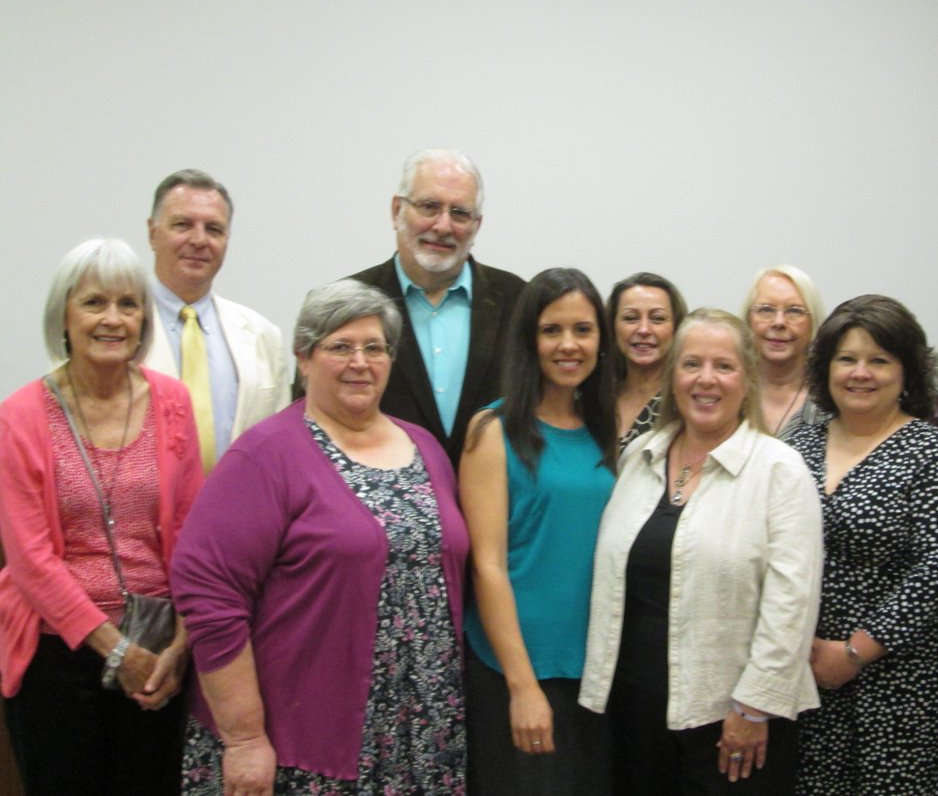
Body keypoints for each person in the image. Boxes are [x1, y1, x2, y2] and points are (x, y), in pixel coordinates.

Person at [171, 279, 469, 794]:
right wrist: (243, 738)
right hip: (300, 738)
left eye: (374, 348)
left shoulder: (426, 449)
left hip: (423, 731)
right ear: (304, 358)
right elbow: (206, 589)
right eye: (340, 346)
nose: (360, 362)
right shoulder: (265, 455)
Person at [580, 308, 824, 794]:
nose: (705, 380)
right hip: (632, 710)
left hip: (729, 719)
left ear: (747, 379)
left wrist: (754, 707)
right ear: (672, 378)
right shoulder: (639, 456)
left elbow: (792, 604)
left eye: (724, 366)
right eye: (691, 364)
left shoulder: (779, 469)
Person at [0, 237, 203, 795]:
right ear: (63, 315)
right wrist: (116, 649)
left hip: (158, 649)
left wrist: (183, 643)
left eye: (128, 303)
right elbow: (30, 560)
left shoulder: (172, 402)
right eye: (94, 303)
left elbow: (190, 532)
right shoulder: (19, 416)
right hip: (57, 653)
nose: (112, 319)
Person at [783, 294, 938, 795]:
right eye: (846, 358)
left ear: (908, 372)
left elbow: (937, 571)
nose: (860, 373)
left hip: (901, 682)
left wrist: (852, 653)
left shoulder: (934, 455)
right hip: (802, 676)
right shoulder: (793, 450)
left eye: (879, 360)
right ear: (825, 368)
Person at [460, 268, 616, 795]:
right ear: (529, 339)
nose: (568, 345)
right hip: (520, 672)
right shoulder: (493, 431)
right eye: (552, 330)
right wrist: (522, 686)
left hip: (596, 675)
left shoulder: (608, 434)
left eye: (583, 329)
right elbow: (487, 565)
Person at [346, 147, 526, 466]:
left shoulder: (518, 302)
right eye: (429, 207)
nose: (443, 226)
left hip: (496, 508)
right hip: (378, 507)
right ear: (396, 211)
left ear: (476, 225)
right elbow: (311, 423)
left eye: (459, 213)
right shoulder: (347, 304)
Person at [143, 169, 290, 472]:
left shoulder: (263, 335)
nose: (199, 240)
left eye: (213, 229)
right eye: (183, 225)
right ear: (152, 233)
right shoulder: (117, 332)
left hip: (240, 514)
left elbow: (281, 449)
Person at [743, 265, 828, 438]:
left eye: (794, 311)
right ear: (748, 319)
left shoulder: (831, 400)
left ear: (814, 322)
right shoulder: (728, 392)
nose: (779, 322)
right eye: (766, 309)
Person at [607, 272, 688, 451]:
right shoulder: (594, 398)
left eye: (657, 319)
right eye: (631, 318)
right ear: (612, 326)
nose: (644, 329)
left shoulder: (687, 402)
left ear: (676, 327)